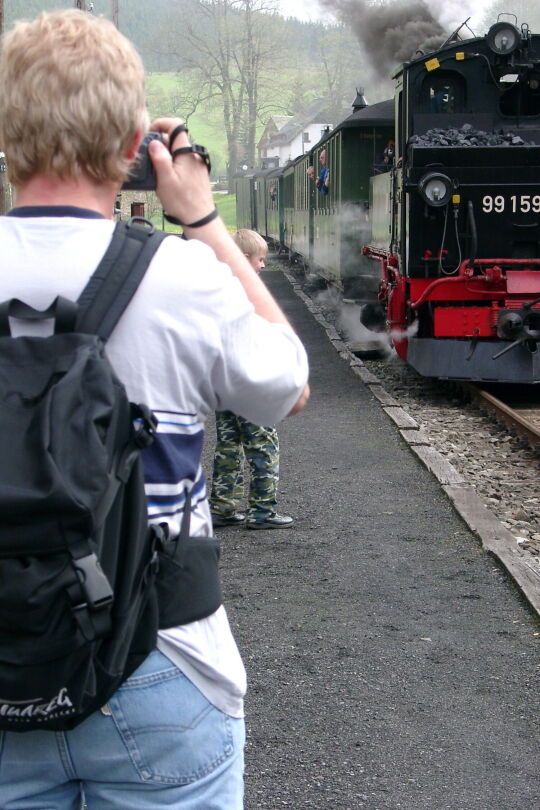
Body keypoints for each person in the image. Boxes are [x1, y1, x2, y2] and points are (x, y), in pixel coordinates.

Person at [0, 9, 309, 809]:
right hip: (161, 654)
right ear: (135, 141)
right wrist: (202, 218)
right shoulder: (182, 275)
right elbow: (288, 385)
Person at [210, 229, 294, 530]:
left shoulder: (217, 288)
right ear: (244, 259)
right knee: (263, 444)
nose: (263, 266)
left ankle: (222, 507)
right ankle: (263, 510)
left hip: (223, 382)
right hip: (249, 380)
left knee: (229, 445)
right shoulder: (248, 293)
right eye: (260, 260)